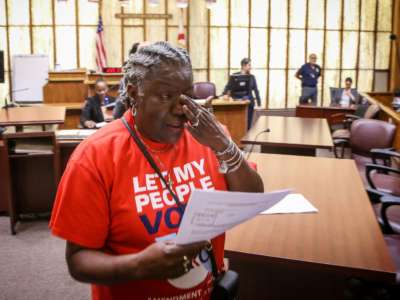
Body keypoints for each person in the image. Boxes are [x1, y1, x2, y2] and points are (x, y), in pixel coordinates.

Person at [50, 41, 263, 300]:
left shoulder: (208, 137)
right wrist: (140, 265)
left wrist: (223, 144)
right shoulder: (94, 157)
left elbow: (252, 196)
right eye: (165, 96)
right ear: (133, 93)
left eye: (187, 95)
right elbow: (78, 261)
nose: (180, 108)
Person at [223, 58, 261, 130]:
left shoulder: (252, 77)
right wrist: (224, 94)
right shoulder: (234, 76)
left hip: (249, 102)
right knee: (237, 123)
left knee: (248, 123)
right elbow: (228, 87)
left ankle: (247, 137)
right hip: (236, 102)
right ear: (243, 65)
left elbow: (256, 90)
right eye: (249, 65)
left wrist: (259, 104)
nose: (250, 67)